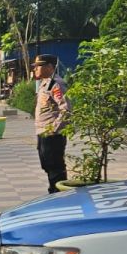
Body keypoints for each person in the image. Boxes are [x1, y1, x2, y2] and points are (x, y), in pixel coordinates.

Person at [33, 54, 71, 193]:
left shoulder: (56, 84)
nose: (35, 69)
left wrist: (54, 129)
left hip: (52, 135)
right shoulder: (45, 83)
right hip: (43, 133)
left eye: (39, 66)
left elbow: (66, 109)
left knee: (55, 167)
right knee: (47, 165)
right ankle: (53, 190)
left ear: (49, 67)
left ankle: (58, 194)